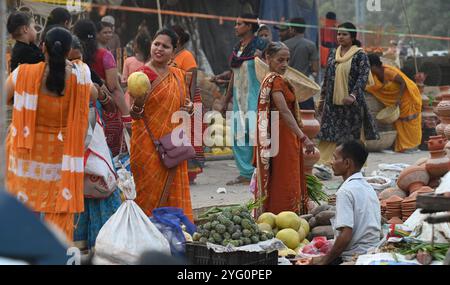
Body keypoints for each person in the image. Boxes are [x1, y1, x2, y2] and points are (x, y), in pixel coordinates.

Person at [4, 27, 97, 241]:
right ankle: (55, 251)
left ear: (42, 46)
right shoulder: (80, 76)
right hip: (61, 158)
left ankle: (22, 252)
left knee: (25, 206)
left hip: (27, 157)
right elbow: (93, 95)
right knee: (58, 206)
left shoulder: (24, 74)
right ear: (68, 51)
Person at [130, 29, 195, 220]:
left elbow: (185, 106)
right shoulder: (141, 75)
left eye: (165, 46)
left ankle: (173, 233)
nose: (159, 49)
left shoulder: (177, 75)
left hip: (173, 144)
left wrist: (189, 108)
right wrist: (140, 102)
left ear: (173, 51)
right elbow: (134, 114)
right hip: (147, 146)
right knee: (147, 191)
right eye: (156, 44)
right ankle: (146, 234)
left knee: (173, 189)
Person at [254, 42, 315, 215]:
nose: (285, 64)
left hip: (281, 133)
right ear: (268, 58)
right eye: (280, 60)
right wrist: (304, 137)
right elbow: (284, 111)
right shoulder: (276, 81)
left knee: (280, 175)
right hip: (282, 134)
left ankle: (277, 214)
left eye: (287, 60)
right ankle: (285, 214)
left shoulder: (271, 79)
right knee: (286, 175)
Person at [317, 22, 378, 174]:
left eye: (344, 34)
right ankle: (323, 164)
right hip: (332, 103)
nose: (340, 37)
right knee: (329, 134)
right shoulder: (333, 53)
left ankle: (358, 167)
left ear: (352, 37)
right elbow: (327, 77)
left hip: (352, 104)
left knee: (354, 137)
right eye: (338, 34)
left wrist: (353, 95)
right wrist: (322, 100)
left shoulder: (360, 54)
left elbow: (363, 77)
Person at [218, 14, 268, 186]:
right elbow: (234, 73)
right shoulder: (237, 47)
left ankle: (261, 172)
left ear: (249, 26)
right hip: (239, 99)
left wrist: (261, 58)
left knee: (257, 135)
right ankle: (246, 173)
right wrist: (226, 99)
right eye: (236, 23)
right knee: (239, 136)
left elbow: (269, 70)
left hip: (256, 97)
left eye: (239, 24)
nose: (235, 27)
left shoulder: (261, 46)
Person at [312, 141, 381, 265]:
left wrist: (324, 261)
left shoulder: (345, 191)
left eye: (335, 158)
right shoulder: (368, 187)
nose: (331, 162)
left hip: (354, 257)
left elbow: (345, 235)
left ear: (347, 163)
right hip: (373, 253)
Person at [74, 20, 130, 157]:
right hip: (104, 111)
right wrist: (126, 116)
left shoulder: (70, 57)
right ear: (96, 35)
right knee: (106, 154)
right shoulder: (105, 55)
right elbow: (114, 88)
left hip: (76, 111)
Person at [366, 54, 422, 153]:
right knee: (399, 121)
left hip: (407, 96)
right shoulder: (374, 76)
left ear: (374, 66)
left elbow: (403, 83)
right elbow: (373, 87)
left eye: (368, 66)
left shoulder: (388, 72)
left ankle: (412, 146)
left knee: (409, 120)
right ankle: (403, 146)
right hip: (396, 99)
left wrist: (399, 99)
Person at [171, 25, 206, 184]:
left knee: (190, 135)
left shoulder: (186, 55)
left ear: (177, 39)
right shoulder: (172, 55)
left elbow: (192, 80)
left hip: (188, 100)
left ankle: (190, 173)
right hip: (176, 100)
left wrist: (189, 101)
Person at [284, 17, 319, 110]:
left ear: (292, 29)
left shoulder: (284, 45)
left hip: (287, 84)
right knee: (306, 115)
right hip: (304, 87)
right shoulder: (310, 45)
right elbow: (315, 68)